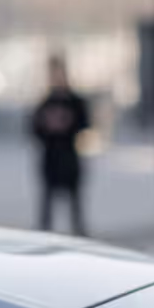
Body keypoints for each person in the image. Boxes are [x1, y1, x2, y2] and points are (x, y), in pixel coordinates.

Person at [29, 51, 91, 236]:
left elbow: (85, 125)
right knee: (47, 204)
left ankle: (79, 236)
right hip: (50, 158)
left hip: (70, 157)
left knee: (75, 204)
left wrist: (68, 125)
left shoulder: (75, 101)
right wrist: (48, 127)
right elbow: (33, 130)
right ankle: (44, 236)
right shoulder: (45, 102)